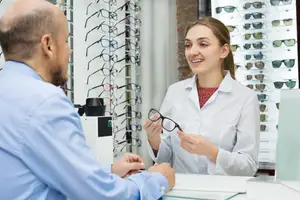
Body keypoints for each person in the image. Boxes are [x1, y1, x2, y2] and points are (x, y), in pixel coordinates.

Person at [0, 0, 175, 200]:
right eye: (66, 41)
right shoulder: (45, 102)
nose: (70, 51)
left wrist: (106, 172)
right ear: (48, 45)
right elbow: (99, 196)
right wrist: (156, 181)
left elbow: (34, 171)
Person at [144, 17, 260, 176]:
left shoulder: (245, 98)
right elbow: (166, 159)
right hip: (180, 191)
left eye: (203, 44)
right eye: (188, 45)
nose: (192, 52)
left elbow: (248, 166)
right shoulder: (175, 92)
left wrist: (212, 152)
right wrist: (154, 139)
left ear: (223, 51)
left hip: (223, 194)